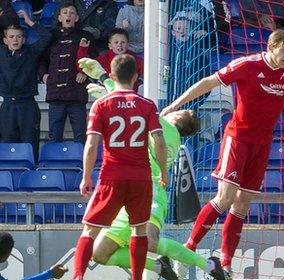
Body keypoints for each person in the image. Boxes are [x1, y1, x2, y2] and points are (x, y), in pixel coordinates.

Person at [161, 29, 284, 277]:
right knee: (225, 197)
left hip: (262, 143)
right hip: (238, 138)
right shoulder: (247, 65)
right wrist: (175, 105)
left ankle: (226, 263)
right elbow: (208, 82)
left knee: (243, 203)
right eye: (283, 52)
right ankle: (188, 249)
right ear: (271, 48)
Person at [77, 57, 226, 280]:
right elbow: (128, 106)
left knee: (150, 240)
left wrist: (105, 82)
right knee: (99, 254)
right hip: (132, 186)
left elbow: (128, 102)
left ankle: (207, 265)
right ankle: (158, 268)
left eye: (179, 111)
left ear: (178, 118)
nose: (173, 110)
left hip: (150, 190)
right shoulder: (164, 129)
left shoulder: (165, 128)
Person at [72, 54, 168, 280]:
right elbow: (159, 140)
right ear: (136, 77)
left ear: (112, 76)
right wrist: (163, 171)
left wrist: (86, 176)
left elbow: (92, 144)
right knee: (139, 230)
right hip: (141, 177)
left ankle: (77, 277)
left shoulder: (101, 104)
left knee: (90, 230)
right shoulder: (147, 105)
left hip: (112, 176)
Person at [0, 7, 52, 158]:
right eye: (11, 37)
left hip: (28, 105)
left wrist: (30, 22)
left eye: (18, 37)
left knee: (30, 147)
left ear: (24, 39)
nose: (15, 40)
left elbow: (47, 36)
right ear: (5, 40)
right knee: (9, 147)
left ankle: (31, 178)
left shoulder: (31, 51)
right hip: (7, 106)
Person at [38, 2, 95, 143]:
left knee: (81, 135)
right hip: (55, 93)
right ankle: (54, 164)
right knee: (54, 135)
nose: (68, 15)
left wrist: (85, 73)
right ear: (59, 17)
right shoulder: (50, 36)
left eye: (72, 12)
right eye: (65, 12)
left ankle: (81, 164)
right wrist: (43, 75)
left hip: (76, 93)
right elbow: (41, 60)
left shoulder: (86, 36)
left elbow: (94, 59)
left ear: (76, 17)